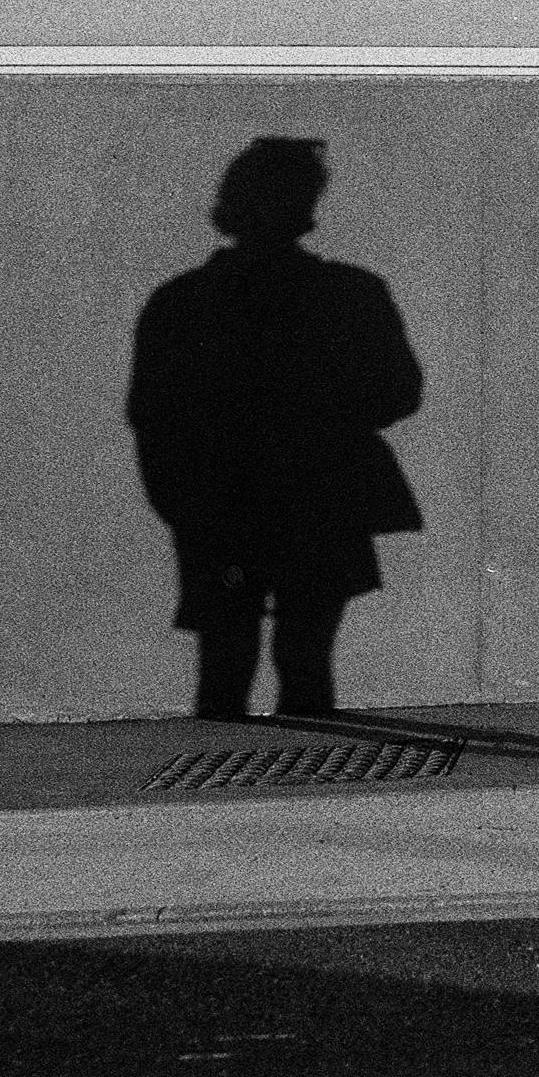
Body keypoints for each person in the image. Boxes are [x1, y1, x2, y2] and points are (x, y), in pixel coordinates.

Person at [126, 138, 425, 718]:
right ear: (308, 205)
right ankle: (310, 768)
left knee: (225, 661)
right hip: (319, 493)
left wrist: (182, 502)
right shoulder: (351, 295)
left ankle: (224, 770)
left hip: (221, 500)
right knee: (306, 658)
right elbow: (398, 391)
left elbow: (154, 417)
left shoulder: (182, 302)